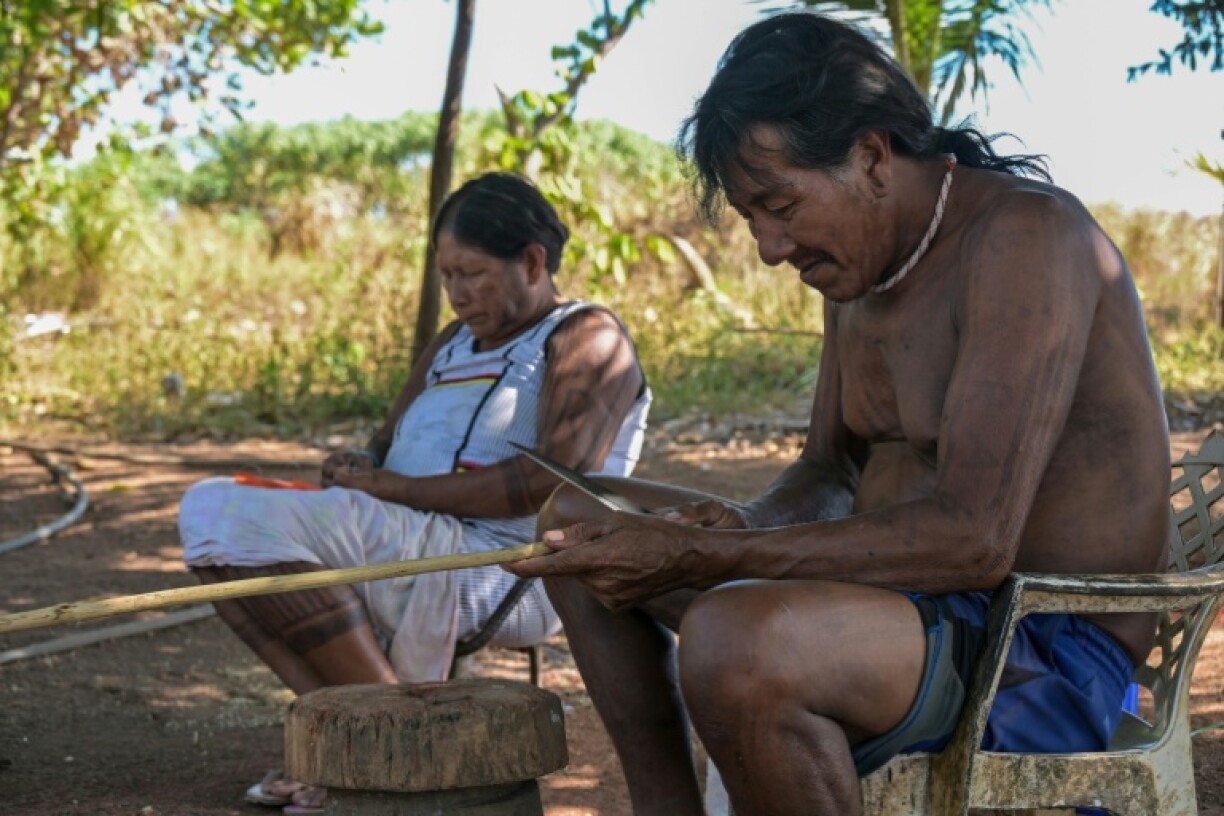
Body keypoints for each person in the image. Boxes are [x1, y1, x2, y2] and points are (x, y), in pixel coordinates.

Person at [506, 12, 1171, 816]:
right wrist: (739, 525)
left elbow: (974, 541)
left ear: (871, 156)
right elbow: (830, 472)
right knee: (580, 527)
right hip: (900, 613)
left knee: (731, 640)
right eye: (753, 217)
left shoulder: (1027, 237)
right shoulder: (859, 265)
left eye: (779, 206)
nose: (770, 247)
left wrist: (702, 558)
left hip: (1034, 649)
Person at [177, 171, 651, 813]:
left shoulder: (585, 336)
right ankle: (339, 742)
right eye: (447, 276)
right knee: (217, 547)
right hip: (410, 535)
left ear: (533, 262)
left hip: (505, 568)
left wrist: (391, 486)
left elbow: (552, 481)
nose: (456, 293)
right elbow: (384, 440)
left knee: (219, 512)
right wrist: (360, 463)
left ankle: (397, 743)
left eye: (472, 273)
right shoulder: (454, 344)